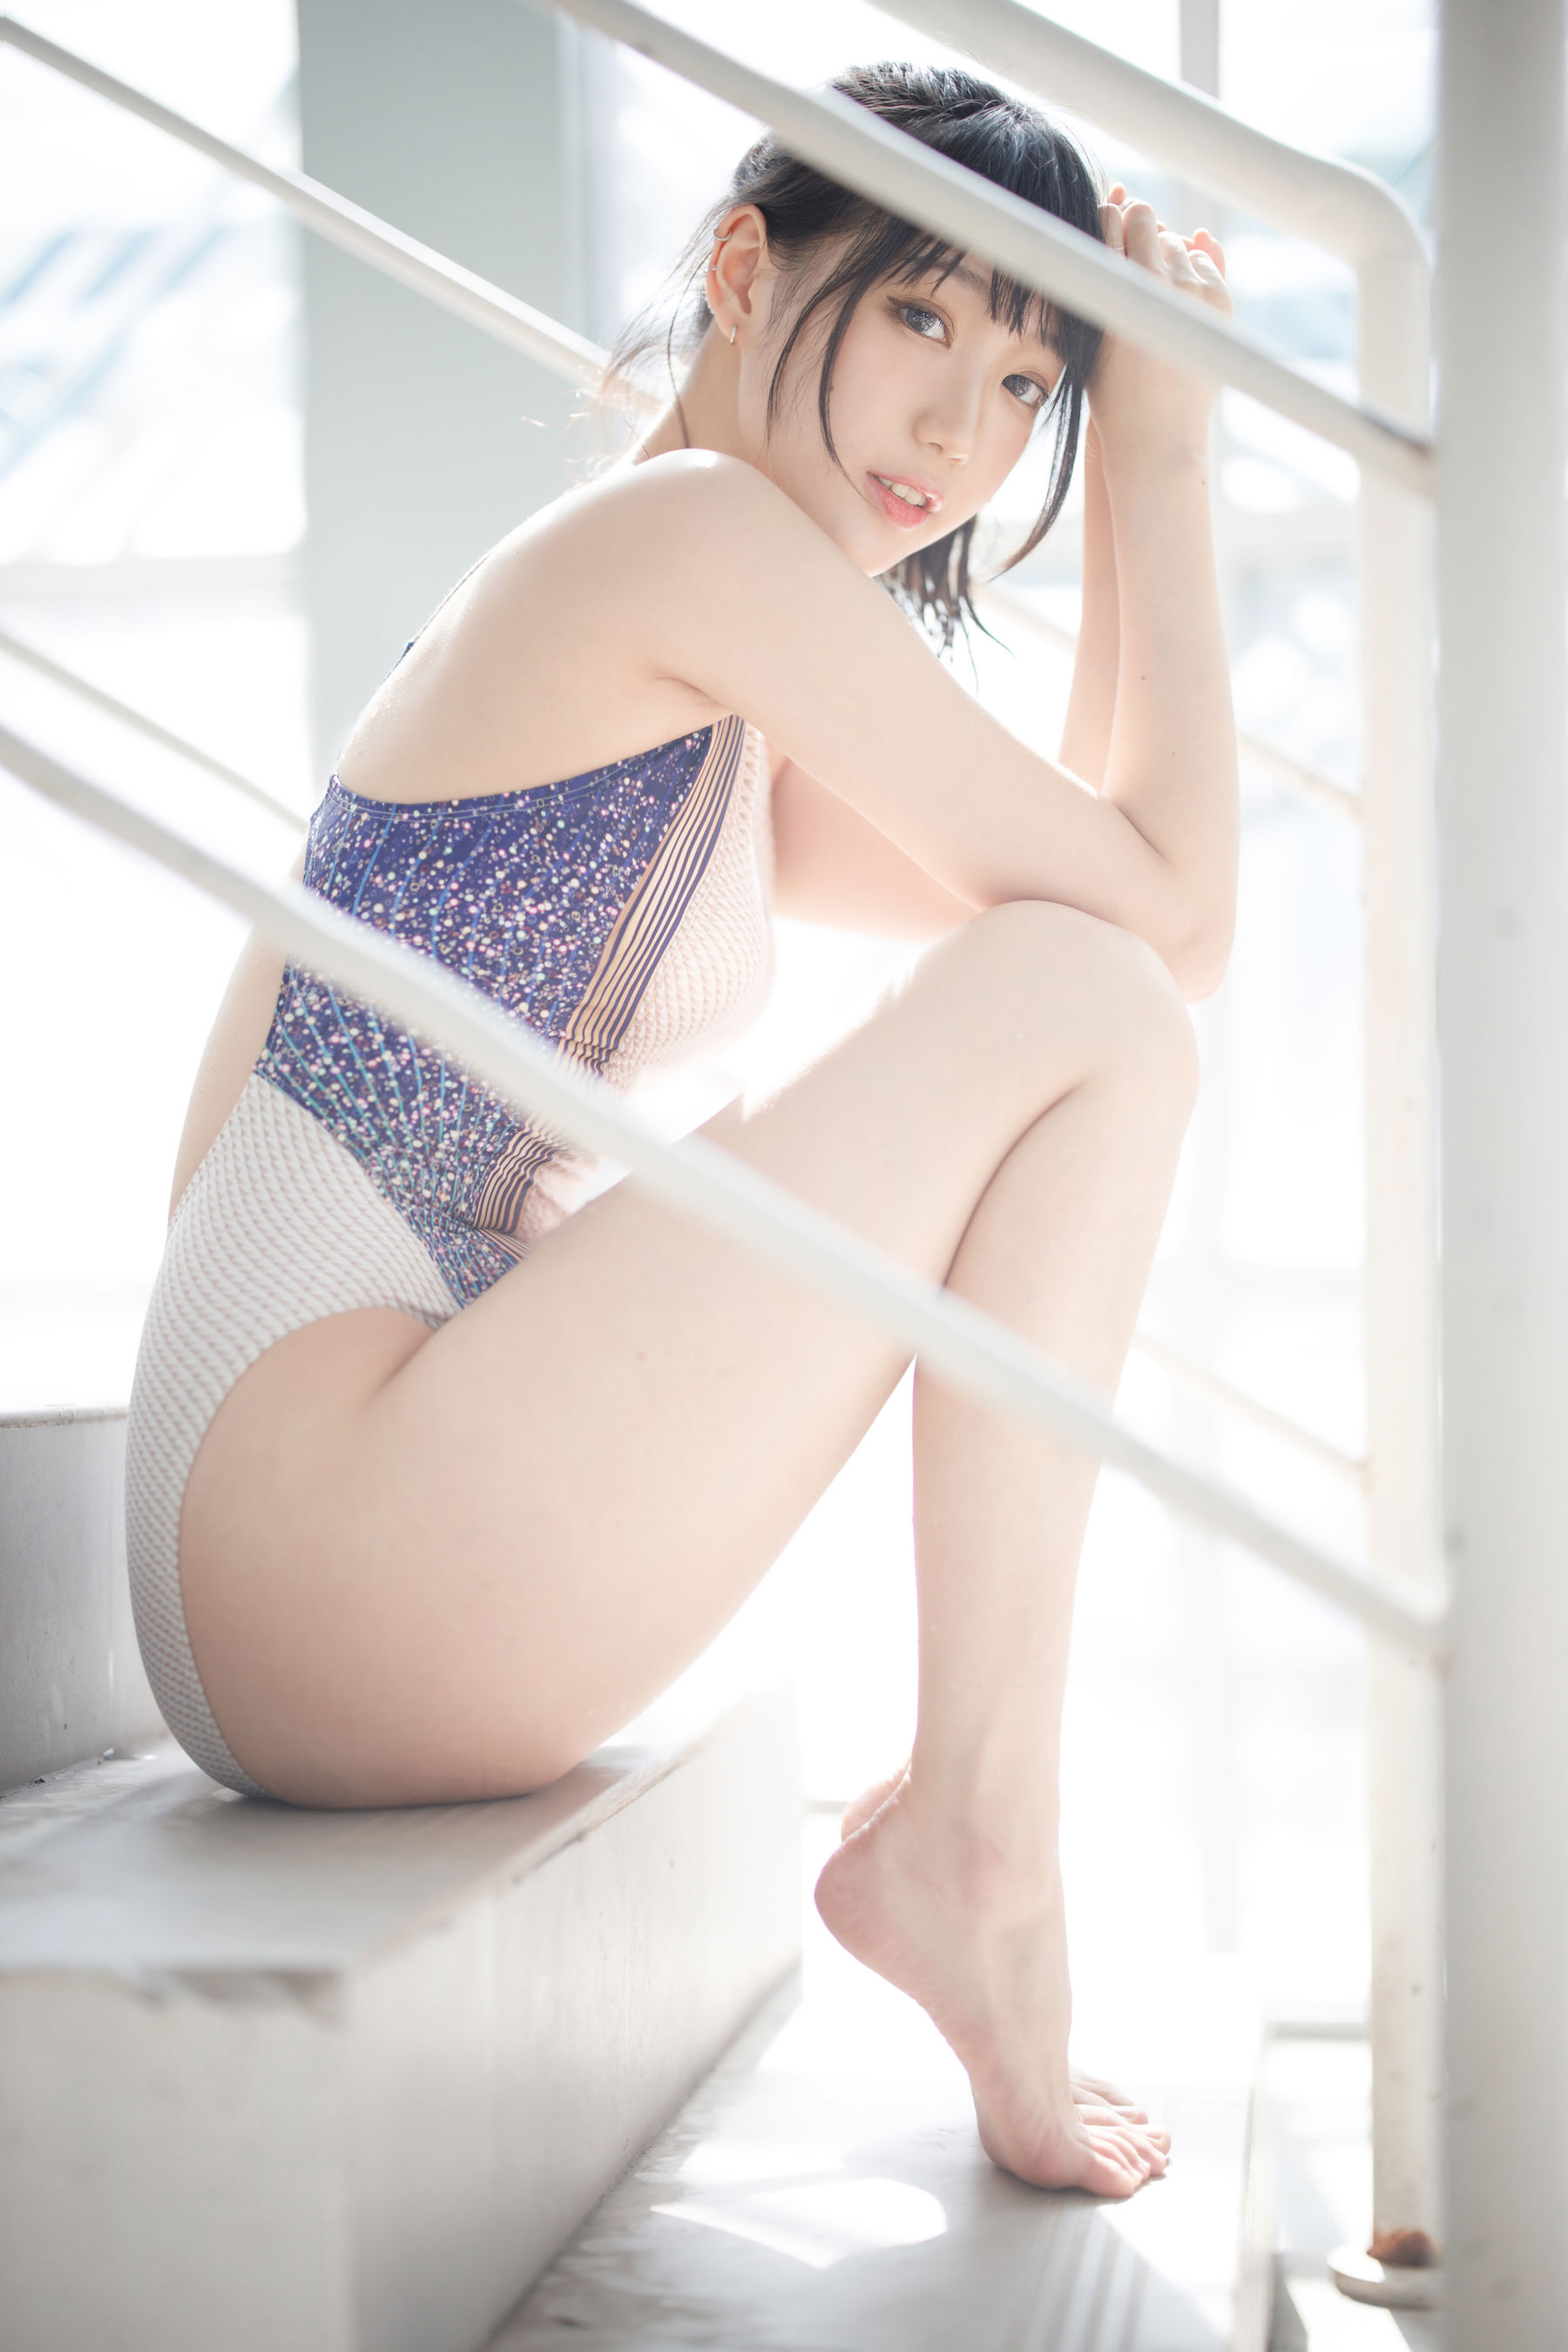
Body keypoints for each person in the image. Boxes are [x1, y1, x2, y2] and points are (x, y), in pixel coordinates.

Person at [125, 61, 1236, 2200]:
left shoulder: (700, 661)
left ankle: (973, 1832)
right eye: (921, 316)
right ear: (745, 270)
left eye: (1031, 382)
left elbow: (1099, 902)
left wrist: (1132, 465)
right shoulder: (687, 543)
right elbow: (1161, 925)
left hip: (321, 1560)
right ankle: (977, 1841)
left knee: (1079, 993)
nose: (963, 431)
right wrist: (1169, 458)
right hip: (313, 1542)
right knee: (1091, 1001)